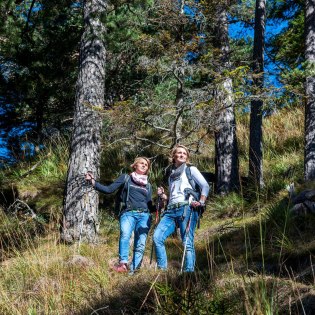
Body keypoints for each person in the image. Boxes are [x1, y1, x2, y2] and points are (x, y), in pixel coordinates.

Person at [85, 157, 153, 274]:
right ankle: (123, 264)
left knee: (140, 244)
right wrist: (93, 182)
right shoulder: (126, 178)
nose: (144, 166)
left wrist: (162, 202)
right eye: (141, 163)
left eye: (146, 165)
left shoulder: (148, 186)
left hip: (144, 215)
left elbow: (150, 206)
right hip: (128, 213)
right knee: (125, 235)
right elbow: (109, 189)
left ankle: (134, 271)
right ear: (135, 165)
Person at [153, 145, 210, 272]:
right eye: (179, 153)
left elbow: (205, 186)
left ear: (187, 157)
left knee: (187, 242)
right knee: (157, 237)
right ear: (173, 156)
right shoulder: (171, 175)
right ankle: (163, 271)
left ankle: (188, 273)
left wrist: (201, 202)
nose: (182, 155)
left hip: (187, 208)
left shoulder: (191, 169)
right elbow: (173, 196)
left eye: (184, 153)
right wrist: (163, 195)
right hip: (170, 210)